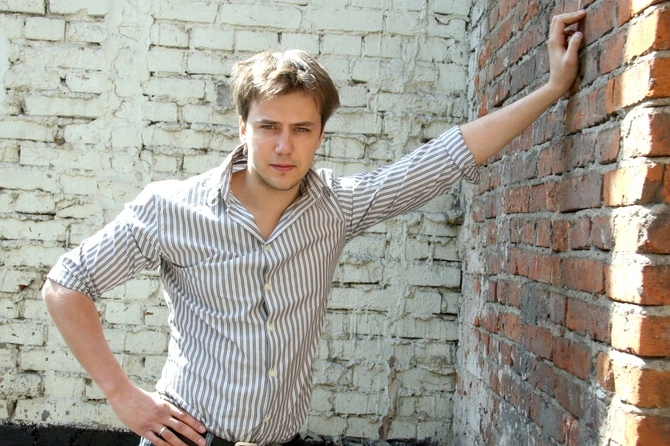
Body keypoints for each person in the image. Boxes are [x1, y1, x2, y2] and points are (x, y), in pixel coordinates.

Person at [41, 11, 586, 446]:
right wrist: (122, 394)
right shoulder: (171, 208)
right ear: (243, 127)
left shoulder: (336, 208)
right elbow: (67, 284)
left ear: (320, 133)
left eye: (302, 129)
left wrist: (552, 87)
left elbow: (442, 159)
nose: (284, 146)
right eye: (269, 127)